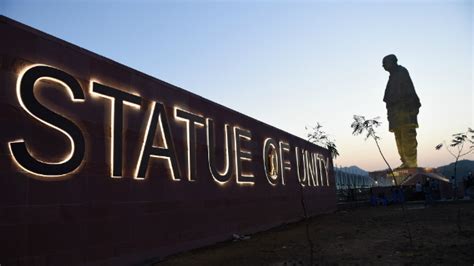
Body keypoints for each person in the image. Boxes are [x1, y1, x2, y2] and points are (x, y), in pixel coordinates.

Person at [382, 54, 421, 169]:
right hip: (396, 114)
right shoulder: (392, 76)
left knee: (408, 138)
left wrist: (411, 109)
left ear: (393, 62)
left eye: (385, 63)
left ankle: (411, 163)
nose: (383, 66)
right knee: (399, 139)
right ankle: (405, 161)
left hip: (405, 113)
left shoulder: (401, 72)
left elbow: (408, 92)